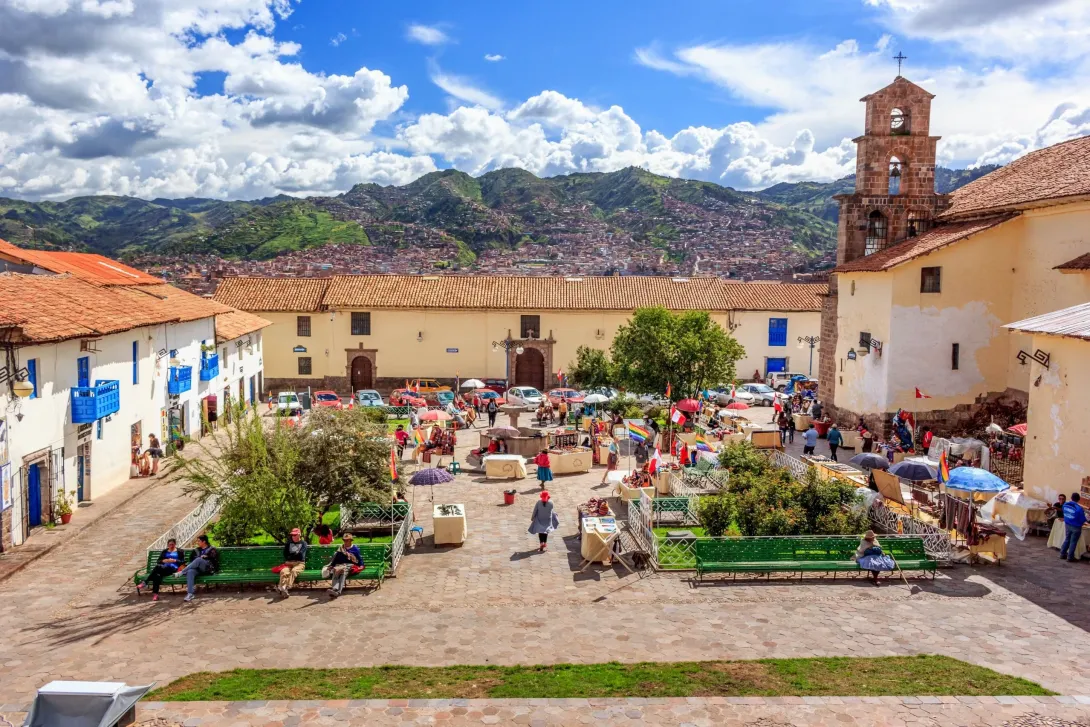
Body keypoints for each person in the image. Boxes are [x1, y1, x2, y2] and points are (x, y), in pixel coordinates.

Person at [178, 534, 219, 602]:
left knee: (199, 559)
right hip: (198, 570)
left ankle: (182, 572)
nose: (197, 542)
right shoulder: (196, 550)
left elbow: (215, 560)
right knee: (190, 571)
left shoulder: (212, 549)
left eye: (199, 541)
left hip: (208, 569)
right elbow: (191, 561)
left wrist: (206, 557)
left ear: (204, 542)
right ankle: (190, 594)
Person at [276, 527, 309, 598]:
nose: (293, 536)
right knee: (283, 572)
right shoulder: (288, 543)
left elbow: (301, 555)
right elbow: (285, 554)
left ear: (299, 535)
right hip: (288, 563)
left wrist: (291, 555)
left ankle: (285, 587)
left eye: (295, 535)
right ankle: (283, 589)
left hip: (299, 563)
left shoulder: (303, 543)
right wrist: (294, 555)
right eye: (292, 535)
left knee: (294, 571)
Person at [327, 533, 362, 598]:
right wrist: (332, 565)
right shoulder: (341, 548)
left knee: (343, 571)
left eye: (347, 540)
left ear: (351, 540)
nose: (345, 542)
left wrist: (361, 565)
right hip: (340, 565)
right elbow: (336, 558)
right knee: (336, 570)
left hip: (350, 565)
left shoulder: (355, 549)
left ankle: (338, 592)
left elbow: (359, 559)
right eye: (344, 540)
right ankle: (335, 589)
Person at [1060, 493, 1087, 563]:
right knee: (1073, 542)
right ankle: (1070, 557)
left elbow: (1064, 512)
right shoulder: (1079, 508)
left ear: (1071, 498)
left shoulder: (1065, 505)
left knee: (1067, 539)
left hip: (1067, 524)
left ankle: (1062, 553)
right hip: (1076, 526)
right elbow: (1082, 519)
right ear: (1079, 499)